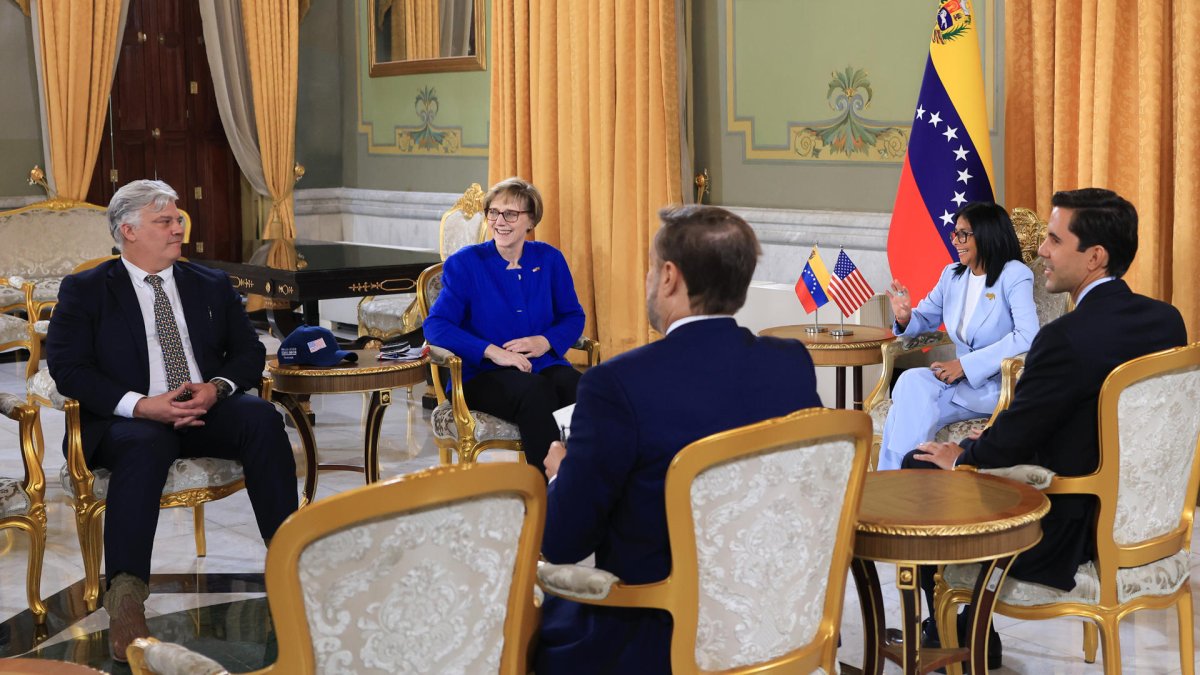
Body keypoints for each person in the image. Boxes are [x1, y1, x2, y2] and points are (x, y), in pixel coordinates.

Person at [904, 187, 1188, 665]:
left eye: (1054, 240)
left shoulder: (1064, 338)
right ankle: (967, 631)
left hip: (1064, 531)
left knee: (924, 466)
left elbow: (1017, 434)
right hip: (1141, 524)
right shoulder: (1168, 322)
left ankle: (954, 635)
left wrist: (966, 455)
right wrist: (988, 445)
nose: (1040, 251)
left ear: (1095, 256)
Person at [535, 205, 823, 674]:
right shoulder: (789, 363)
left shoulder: (615, 385)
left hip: (653, 634)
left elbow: (562, 542)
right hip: (778, 622)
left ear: (669, 276)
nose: (648, 279)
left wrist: (562, 473)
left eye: (651, 268)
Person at [45, 180, 298, 661]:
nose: (178, 227)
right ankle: (126, 599)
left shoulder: (210, 282)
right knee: (144, 445)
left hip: (206, 405)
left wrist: (217, 388)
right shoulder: (85, 290)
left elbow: (246, 350)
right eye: (165, 221)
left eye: (177, 218)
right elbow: (69, 368)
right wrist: (142, 405)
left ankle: (290, 559)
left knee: (262, 418)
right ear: (128, 231)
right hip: (131, 417)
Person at [424, 177, 585, 472]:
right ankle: (548, 485)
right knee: (536, 392)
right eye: (494, 213)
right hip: (482, 375)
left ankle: (584, 478)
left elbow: (573, 316)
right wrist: (493, 352)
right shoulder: (466, 263)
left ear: (531, 220)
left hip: (542, 364)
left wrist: (546, 341)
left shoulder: (550, 259)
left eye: (511, 214)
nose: (500, 221)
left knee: (577, 386)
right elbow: (436, 326)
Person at [877, 202, 1039, 471]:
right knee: (909, 382)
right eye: (955, 234)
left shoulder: (1014, 275)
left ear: (986, 234)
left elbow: (1027, 335)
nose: (955, 241)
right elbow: (925, 318)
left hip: (995, 386)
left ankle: (895, 481)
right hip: (955, 383)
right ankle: (903, 479)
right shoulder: (952, 275)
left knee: (906, 406)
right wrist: (905, 316)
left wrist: (964, 366)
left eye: (963, 234)